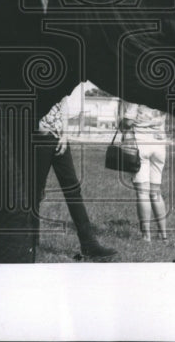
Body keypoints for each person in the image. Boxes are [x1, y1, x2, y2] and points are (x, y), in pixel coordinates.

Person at [33, 96, 117, 260]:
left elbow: (63, 103)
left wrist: (65, 134)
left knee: (73, 189)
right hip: (38, 138)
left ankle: (89, 244)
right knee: (34, 191)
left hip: (59, 137)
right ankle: (30, 243)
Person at [118, 99, 168, 242]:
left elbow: (128, 121)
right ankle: (163, 235)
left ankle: (146, 236)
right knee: (156, 192)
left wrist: (120, 125)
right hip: (159, 144)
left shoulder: (136, 93)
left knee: (142, 193)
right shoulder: (162, 92)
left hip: (140, 143)